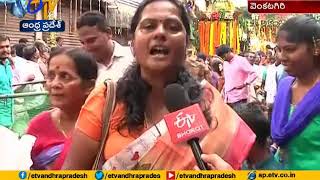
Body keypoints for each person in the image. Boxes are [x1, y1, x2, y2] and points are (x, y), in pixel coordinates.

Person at [62, 0, 255, 170]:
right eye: (148, 26)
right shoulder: (106, 100)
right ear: (133, 43)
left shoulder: (209, 104)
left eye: (172, 27)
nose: (160, 32)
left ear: (187, 44)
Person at [26, 48, 97, 170]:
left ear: (89, 86)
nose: (54, 84)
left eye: (65, 76)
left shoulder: (101, 126)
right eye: (51, 76)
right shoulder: (38, 124)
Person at [271, 15, 320, 170]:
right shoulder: (285, 85)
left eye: (290, 50)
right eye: (279, 49)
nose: (281, 57)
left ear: (316, 48)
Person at [76, 11, 133, 85]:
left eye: (91, 40)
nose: (86, 48)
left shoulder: (134, 57)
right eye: (82, 43)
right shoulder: (83, 68)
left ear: (108, 33)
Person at [0, 34, 14, 128]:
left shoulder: (8, 64)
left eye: (7, 46)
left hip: (9, 116)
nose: (5, 50)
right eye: (1, 47)